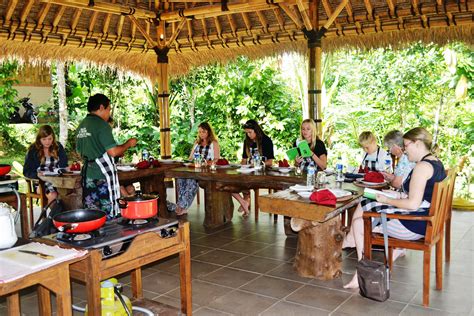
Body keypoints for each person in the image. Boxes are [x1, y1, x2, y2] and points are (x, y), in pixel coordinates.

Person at [343, 127, 446, 289]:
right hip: (427, 220)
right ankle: (355, 254)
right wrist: (394, 196)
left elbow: (412, 204)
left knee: (358, 223)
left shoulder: (421, 167)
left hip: (415, 225)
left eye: (406, 146)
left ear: (417, 144)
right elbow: (419, 197)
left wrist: (387, 200)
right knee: (368, 204)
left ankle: (361, 273)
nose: (404, 150)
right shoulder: (436, 162)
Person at [76, 93, 137, 219]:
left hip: (88, 174)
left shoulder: (82, 125)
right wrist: (128, 144)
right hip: (102, 174)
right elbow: (113, 152)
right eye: (109, 109)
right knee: (109, 209)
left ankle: (94, 235)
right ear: (101, 107)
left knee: (91, 210)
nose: (109, 112)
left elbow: (80, 152)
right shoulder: (101, 125)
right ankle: (111, 235)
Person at [170, 122, 220, 216]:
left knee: (191, 180)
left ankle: (182, 206)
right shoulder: (197, 143)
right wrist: (188, 162)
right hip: (194, 168)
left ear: (208, 132)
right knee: (181, 178)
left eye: (203, 132)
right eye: (200, 132)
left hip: (206, 170)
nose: (201, 134)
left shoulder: (213, 143)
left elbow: (217, 159)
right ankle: (182, 206)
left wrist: (205, 163)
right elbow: (190, 158)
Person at [232, 119, 275, 216]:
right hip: (249, 170)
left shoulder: (266, 141)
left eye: (250, 132)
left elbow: (270, 162)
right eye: (246, 133)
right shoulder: (247, 141)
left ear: (256, 130)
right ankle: (245, 201)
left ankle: (246, 200)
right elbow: (244, 159)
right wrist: (241, 167)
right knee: (230, 182)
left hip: (263, 171)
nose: (248, 135)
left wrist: (258, 164)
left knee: (245, 180)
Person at [23, 125, 68, 205]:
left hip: (57, 181)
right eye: (44, 139)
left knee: (69, 194)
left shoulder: (58, 147)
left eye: (50, 139)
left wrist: (66, 169)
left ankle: (61, 216)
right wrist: (36, 174)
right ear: (39, 139)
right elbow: (26, 171)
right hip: (41, 182)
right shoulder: (33, 150)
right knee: (53, 195)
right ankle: (53, 217)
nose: (47, 142)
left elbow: (64, 165)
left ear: (53, 138)